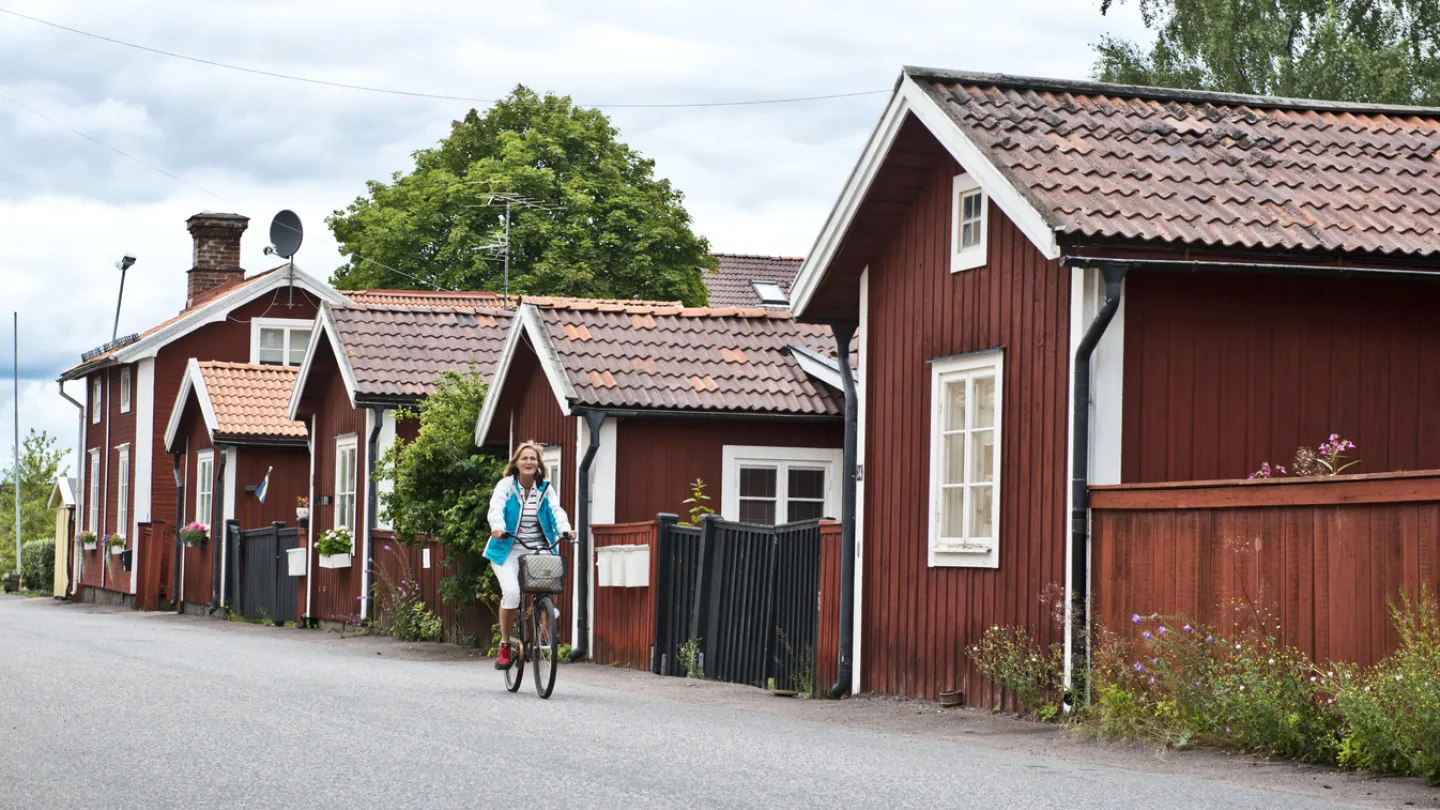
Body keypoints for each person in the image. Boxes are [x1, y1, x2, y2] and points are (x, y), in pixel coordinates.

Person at [485, 441, 574, 670]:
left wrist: (565, 529)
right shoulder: (506, 486)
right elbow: (496, 507)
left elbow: (556, 511)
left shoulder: (545, 488)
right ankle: (505, 644)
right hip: (508, 548)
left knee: (548, 586)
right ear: (516, 463)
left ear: (538, 464)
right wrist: (498, 526)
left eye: (533, 459)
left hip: (538, 548)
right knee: (513, 594)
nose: (529, 462)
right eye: (524, 458)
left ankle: (544, 626)